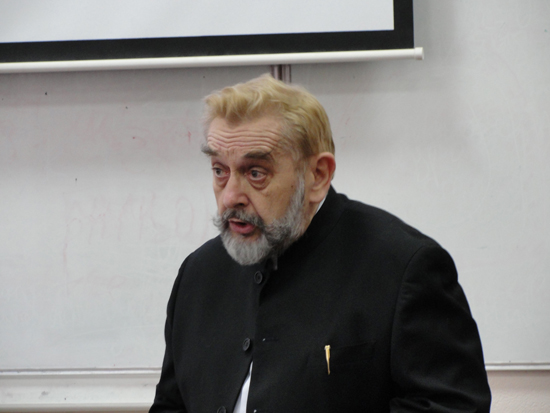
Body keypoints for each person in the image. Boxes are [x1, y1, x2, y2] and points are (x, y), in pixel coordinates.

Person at [150, 74, 491, 413]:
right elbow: (170, 406)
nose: (230, 197)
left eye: (255, 173)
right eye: (219, 171)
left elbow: (452, 406)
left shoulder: (403, 268)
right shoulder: (199, 273)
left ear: (318, 175)